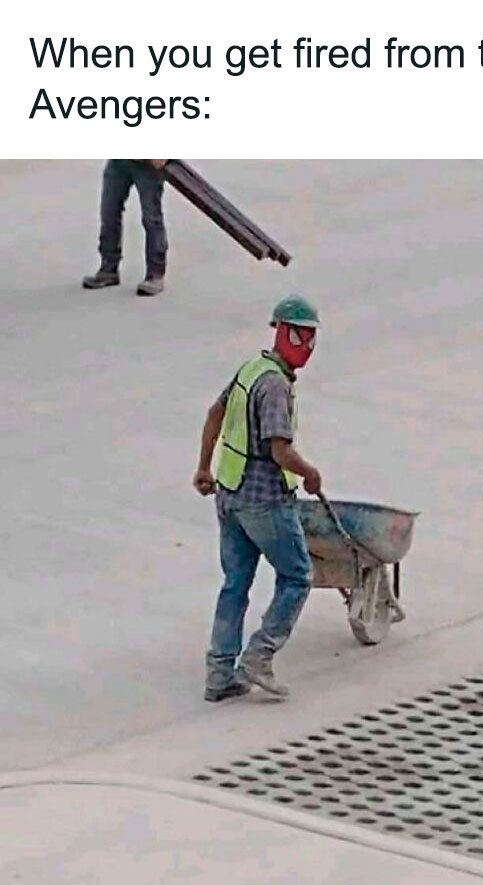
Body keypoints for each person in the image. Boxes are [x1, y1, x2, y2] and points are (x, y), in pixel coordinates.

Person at [193, 295, 323, 701]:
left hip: (228, 495)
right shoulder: (274, 386)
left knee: (235, 582)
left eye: (312, 338)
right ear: (283, 332)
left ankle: (219, 674)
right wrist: (311, 473)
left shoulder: (252, 369)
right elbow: (279, 449)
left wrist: (203, 468)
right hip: (263, 500)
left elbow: (215, 413)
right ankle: (259, 655)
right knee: (298, 575)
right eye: (302, 336)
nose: (308, 347)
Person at [82, 159, 169, 297]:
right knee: (109, 212)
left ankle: (155, 274)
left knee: (151, 218)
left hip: (148, 165)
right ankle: (108, 269)